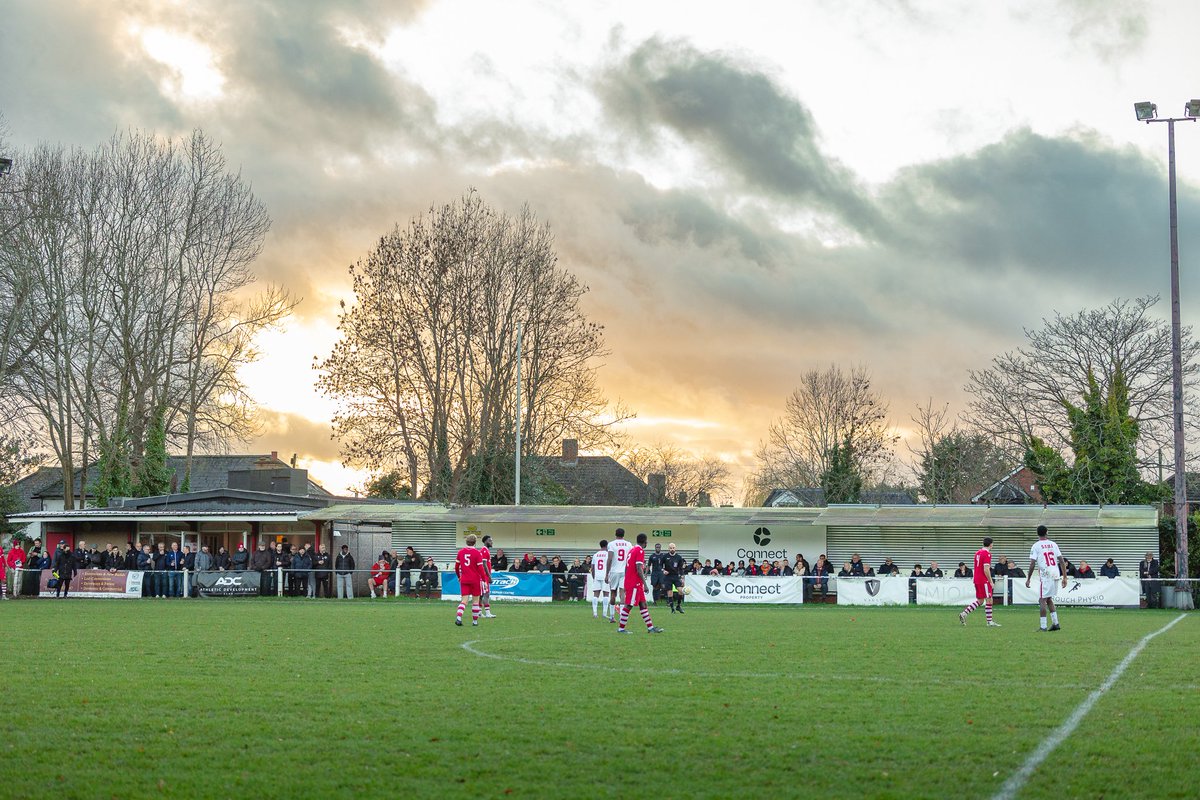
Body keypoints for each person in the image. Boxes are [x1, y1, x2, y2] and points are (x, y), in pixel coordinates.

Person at [617, 533, 664, 634]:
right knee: (629, 605)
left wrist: (627, 581)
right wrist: (645, 584)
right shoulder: (639, 550)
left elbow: (626, 567)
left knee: (643, 604)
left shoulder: (632, 550)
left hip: (634, 583)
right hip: (634, 584)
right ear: (645, 542)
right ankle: (621, 629)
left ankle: (650, 628)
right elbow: (639, 569)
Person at [1026, 525, 1067, 631]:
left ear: (1037, 533)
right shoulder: (1053, 544)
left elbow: (1032, 564)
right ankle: (1056, 623)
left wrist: (1028, 578)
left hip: (1046, 574)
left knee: (1042, 599)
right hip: (1055, 573)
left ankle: (1043, 626)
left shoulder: (1036, 546)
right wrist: (1065, 577)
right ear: (1047, 532)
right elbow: (1061, 561)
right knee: (1049, 599)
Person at [959, 536, 1000, 627]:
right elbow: (986, 569)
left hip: (977, 579)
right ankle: (989, 622)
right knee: (989, 599)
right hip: (984, 580)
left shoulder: (977, 553)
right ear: (991, 544)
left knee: (980, 601)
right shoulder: (987, 554)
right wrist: (991, 581)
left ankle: (964, 614)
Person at [454, 533, 485, 626]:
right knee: (475, 601)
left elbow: (456, 567)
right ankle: (475, 622)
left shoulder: (460, 552)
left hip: (464, 579)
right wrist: (484, 579)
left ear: (466, 542)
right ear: (475, 542)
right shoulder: (477, 553)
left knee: (464, 600)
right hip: (475, 580)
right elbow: (480, 568)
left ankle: (458, 618)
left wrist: (459, 576)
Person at [606, 528, 633, 621]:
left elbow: (609, 559)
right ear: (624, 534)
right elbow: (631, 557)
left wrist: (607, 574)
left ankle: (612, 616)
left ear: (615, 534)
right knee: (622, 593)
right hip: (625, 571)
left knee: (613, 593)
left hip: (614, 571)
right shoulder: (629, 544)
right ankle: (622, 616)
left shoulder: (611, 544)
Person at [662, 542, 686, 614]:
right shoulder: (665, 556)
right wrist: (663, 570)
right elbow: (660, 565)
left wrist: (682, 577)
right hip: (668, 576)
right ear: (668, 549)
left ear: (675, 548)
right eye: (670, 548)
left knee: (680, 591)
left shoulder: (679, 557)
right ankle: (672, 609)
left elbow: (681, 568)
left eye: (673, 548)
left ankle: (678, 606)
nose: (672, 549)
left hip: (675, 576)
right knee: (670, 592)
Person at [590, 539, 610, 619]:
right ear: (607, 545)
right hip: (605, 576)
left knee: (596, 594)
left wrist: (594, 577)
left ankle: (595, 613)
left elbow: (592, 567)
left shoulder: (596, 555)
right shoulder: (608, 554)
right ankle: (604, 614)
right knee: (606, 594)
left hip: (597, 575)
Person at [479, 536, 495, 617]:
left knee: (482, 594)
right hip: (484, 576)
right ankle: (487, 613)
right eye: (490, 541)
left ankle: (478, 612)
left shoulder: (485, 550)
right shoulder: (484, 551)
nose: (492, 542)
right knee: (486, 594)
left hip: (484, 576)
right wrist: (489, 576)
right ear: (485, 541)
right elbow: (484, 565)